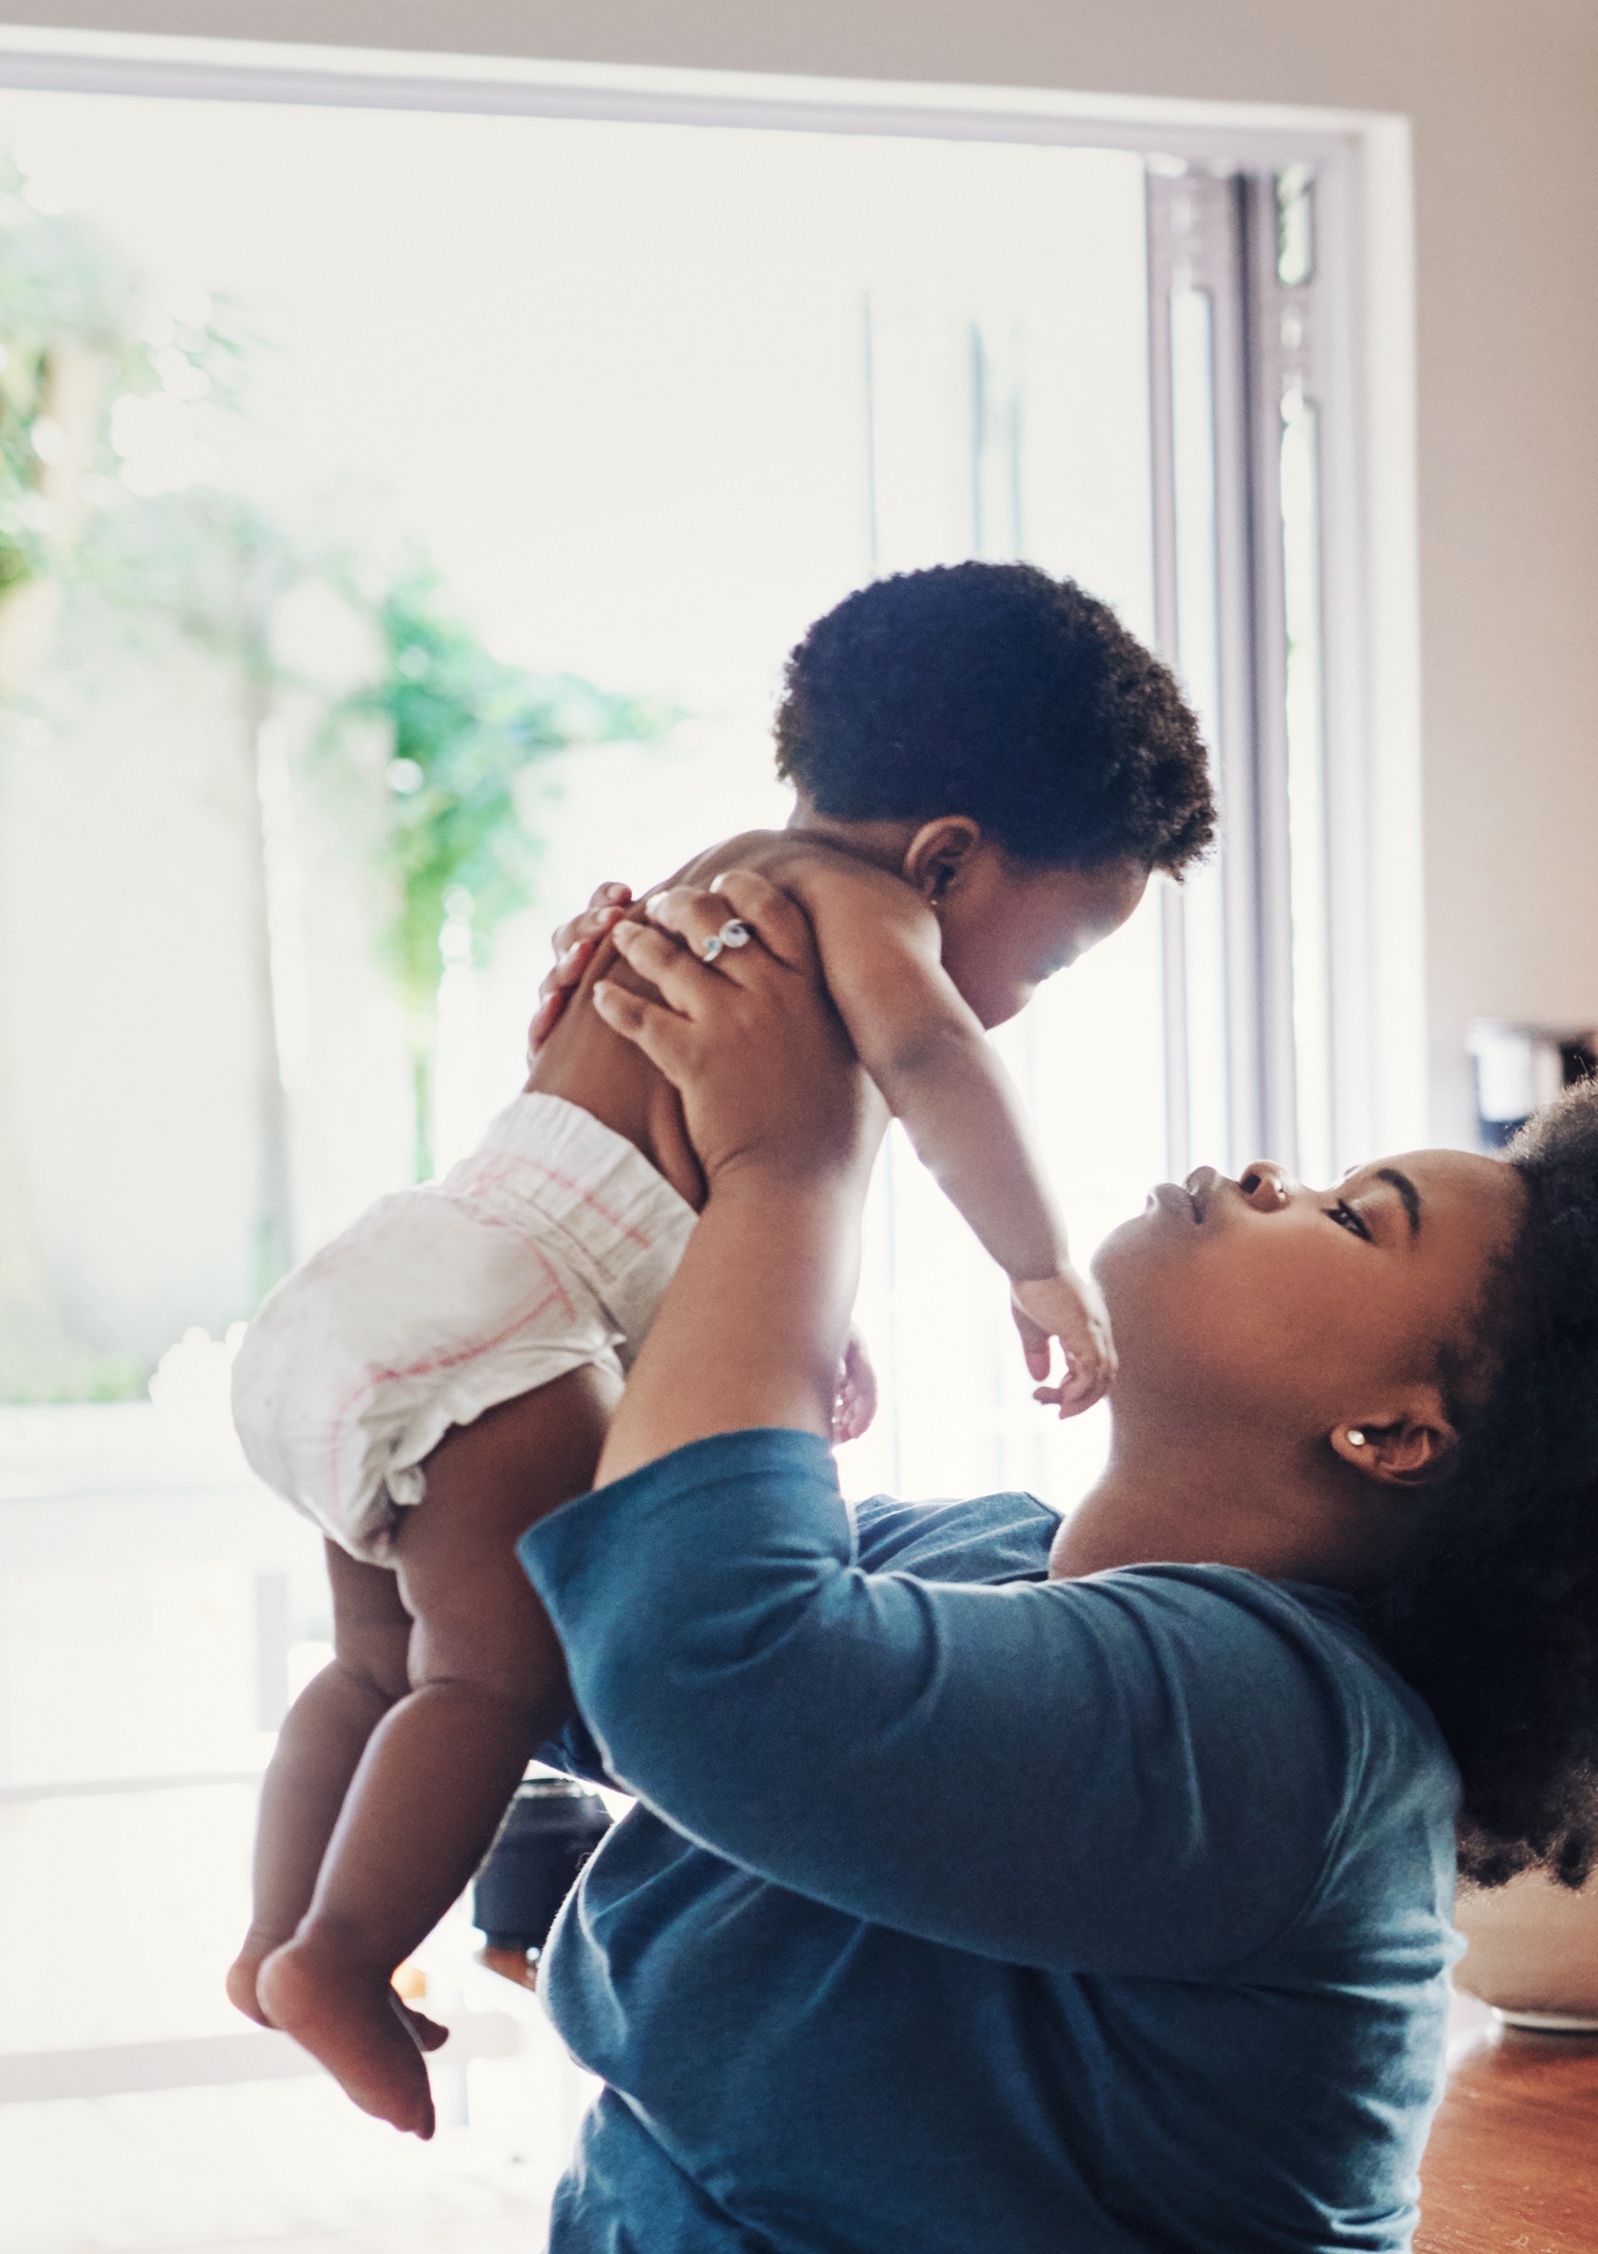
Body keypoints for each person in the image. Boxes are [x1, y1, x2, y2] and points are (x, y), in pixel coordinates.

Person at [341, 868, 1598, 2254]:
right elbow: (562, 1617)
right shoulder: (982, 1563)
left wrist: (788, 1167)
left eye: (1353, 1216)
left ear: (1392, 1432)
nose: (1256, 1176)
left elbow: (712, 1673)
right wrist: (608, 1140)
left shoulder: (1280, 1736)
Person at [222, 564, 1217, 2135]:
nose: (1018, 1007)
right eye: (1056, 957)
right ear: (949, 857)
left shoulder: (702, 888)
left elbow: (671, 1161)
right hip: (498, 1338)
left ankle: (276, 1933)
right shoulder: (863, 909)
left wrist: (816, 1321)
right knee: (493, 1675)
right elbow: (931, 1061)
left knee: (373, 1665)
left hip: (384, 1291)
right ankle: (342, 1956)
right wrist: (1041, 1267)